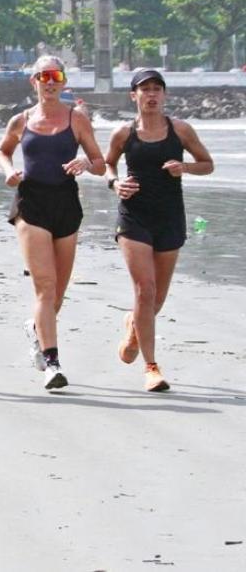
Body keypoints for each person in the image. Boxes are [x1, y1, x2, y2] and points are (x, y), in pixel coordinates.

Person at [0, 55, 106, 391]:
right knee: (45, 287)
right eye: (43, 76)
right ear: (34, 81)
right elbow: (3, 151)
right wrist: (9, 172)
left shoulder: (77, 119)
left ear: (63, 82)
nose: (50, 82)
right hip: (31, 205)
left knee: (58, 291)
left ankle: (36, 329)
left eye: (56, 76)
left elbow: (101, 163)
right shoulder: (21, 120)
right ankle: (52, 363)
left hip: (66, 205)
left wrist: (85, 162)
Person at [104, 68, 214, 393]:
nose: (151, 95)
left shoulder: (180, 130)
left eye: (156, 89)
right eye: (145, 89)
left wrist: (185, 168)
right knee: (145, 290)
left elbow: (207, 164)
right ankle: (151, 368)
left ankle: (133, 328)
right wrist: (115, 183)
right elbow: (108, 164)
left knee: (157, 299)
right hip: (133, 217)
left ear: (164, 95)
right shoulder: (124, 133)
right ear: (133, 95)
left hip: (169, 217)